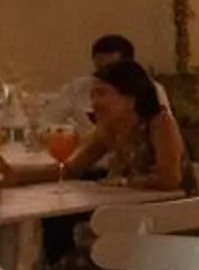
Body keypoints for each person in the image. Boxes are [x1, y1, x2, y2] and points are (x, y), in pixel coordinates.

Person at [62, 59, 189, 193]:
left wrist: (123, 182)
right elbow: (73, 170)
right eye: (92, 95)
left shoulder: (160, 123)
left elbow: (169, 179)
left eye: (102, 93)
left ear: (130, 98)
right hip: (130, 205)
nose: (94, 103)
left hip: (173, 208)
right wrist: (38, 176)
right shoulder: (110, 127)